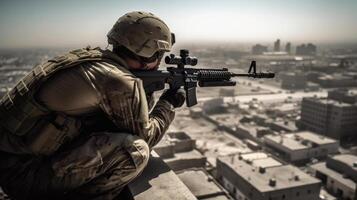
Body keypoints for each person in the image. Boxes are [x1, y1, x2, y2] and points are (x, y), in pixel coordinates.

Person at [0, 11, 185, 200]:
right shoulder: (117, 80)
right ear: (149, 54)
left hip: (13, 163)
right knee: (135, 151)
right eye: (160, 55)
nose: (160, 61)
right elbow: (146, 137)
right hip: (23, 176)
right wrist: (169, 103)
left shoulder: (95, 62)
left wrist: (147, 91)